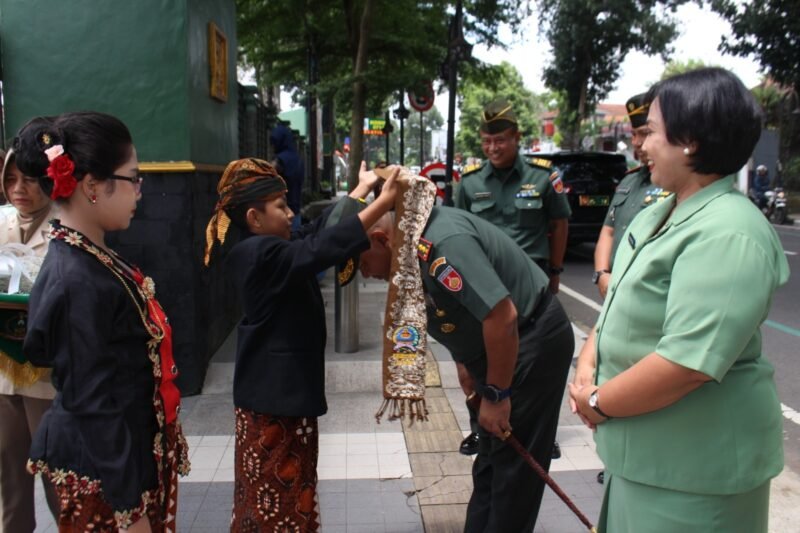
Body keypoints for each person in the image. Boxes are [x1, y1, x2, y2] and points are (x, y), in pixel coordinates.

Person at [569, 68, 788, 533]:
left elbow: (686, 361)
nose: (641, 144)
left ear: (689, 140)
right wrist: (588, 361)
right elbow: (615, 308)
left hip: (696, 473)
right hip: (645, 458)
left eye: (651, 131)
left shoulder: (729, 231)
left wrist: (599, 400)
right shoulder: (660, 213)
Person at [204, 158, 397, 532]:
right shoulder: (255, 255)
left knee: (293, 495)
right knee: (275, 500)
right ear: (254, 218)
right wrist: (382, 204)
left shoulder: (274, 245)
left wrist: (358, 192)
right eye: (281, 207)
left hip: (285, 401)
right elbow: (318, 249)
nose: (291, 213)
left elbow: (317, 234)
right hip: (272, 406)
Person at [359, 202, 574, 532]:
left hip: (529, 341)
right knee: (490, 460)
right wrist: (464, 361)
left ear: (381, 239)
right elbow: (455, 309)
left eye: (363, 263)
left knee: (514, 473)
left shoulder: (443, 245)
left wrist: (497, 396)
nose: (366, 274)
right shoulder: (409, 242)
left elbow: (502, 317)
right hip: (493, 351)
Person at [24, 112, 190, 533]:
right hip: (105, 477)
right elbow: (91, 402)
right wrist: (129, 508)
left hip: (125, 461)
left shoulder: (93, 257)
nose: (139, 191)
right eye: (133, 178)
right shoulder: (76, 277)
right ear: (94, 186)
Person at [454, 99, 571, 457]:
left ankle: (541, 433)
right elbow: (457, 230)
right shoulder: (470, 183)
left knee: (536, 361)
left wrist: (554, 271)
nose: (493, 148)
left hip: (530, 285)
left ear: (517, 137)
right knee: (482, 358)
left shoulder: (542, 177)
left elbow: (559, 223)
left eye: (500, 140)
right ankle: (481, 429)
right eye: (487, 141)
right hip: (484, 286)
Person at [0, 119, 60, 532]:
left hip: (49, 379)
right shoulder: (1, 222)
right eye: (11, 178)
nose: (19, 188)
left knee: (60, 481)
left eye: (30, 179)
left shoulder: (66, 227)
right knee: (11, 484)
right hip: (3, 376)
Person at [593, 93, 668, 298]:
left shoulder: (673, 184)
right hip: (615, 290)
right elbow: (608, 231)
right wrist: (602, 274)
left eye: (645, 133)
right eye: (633, 134)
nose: (636, 142)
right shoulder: (629, 180)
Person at [270, 123, 304, 229]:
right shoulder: (297, 158)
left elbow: (266, 172)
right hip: (296, 210)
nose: (273, 146)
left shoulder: (282, 159)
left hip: (283, 211)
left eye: (274, 142)